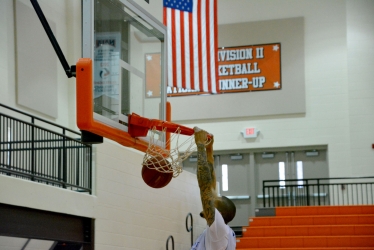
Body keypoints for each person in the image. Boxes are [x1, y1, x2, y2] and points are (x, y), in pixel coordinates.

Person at [191, 127, 236, 250]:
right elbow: (210, 184)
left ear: (219, 215)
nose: (209, 200)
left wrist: (200, 145)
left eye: (212, 202)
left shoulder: (219, 231)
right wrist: (209, 150)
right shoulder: (221, 231)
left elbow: (204, 186)